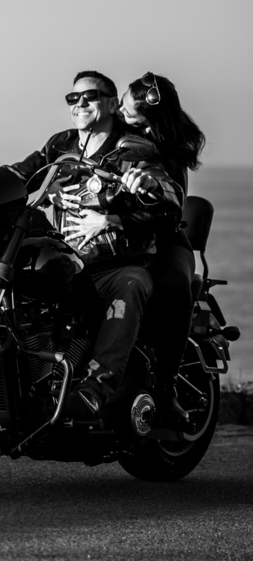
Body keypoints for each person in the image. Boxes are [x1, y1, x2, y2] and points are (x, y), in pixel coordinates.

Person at [6, 70, 181, 421]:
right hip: (69, 260)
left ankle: (93, 391)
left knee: (131, 285)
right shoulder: (61, 145)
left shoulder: (133, 148)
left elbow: (168, 197)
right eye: (73, 98)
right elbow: (22, 172)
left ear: (112, 103)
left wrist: (146, 186)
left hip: (116, 265)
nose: (80, 103)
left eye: (90, 96)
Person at [117, 72, 206, 426]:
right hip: (129, 235)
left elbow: (172, 201)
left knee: (172, 288)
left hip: (169, 239)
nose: (121, 105)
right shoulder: (124, 137)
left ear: (147, 113)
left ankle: (167, 389)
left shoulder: (171, 149)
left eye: (127, 101)